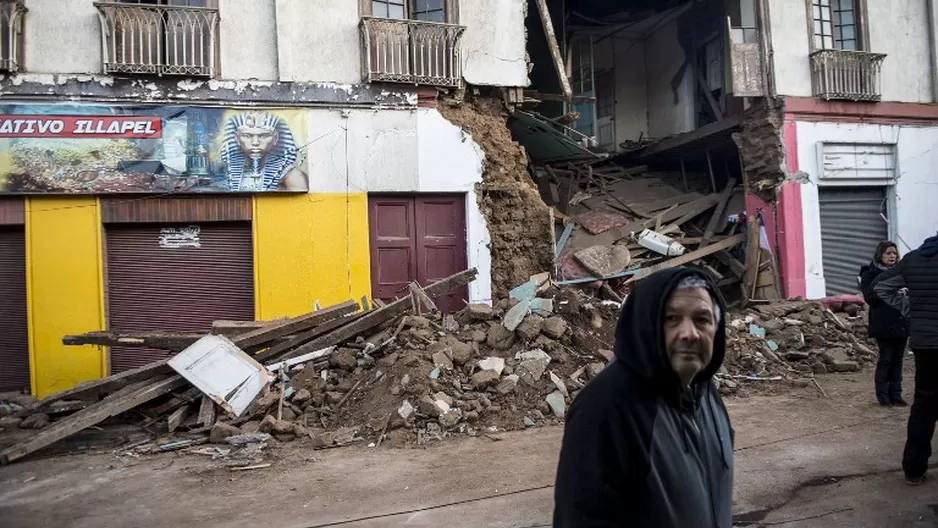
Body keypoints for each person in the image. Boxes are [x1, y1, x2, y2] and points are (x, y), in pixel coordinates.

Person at [553, 268, 733, 527]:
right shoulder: (606, 407)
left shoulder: (704, 394)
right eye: (672, 318)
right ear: (647, 325)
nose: (689, 333)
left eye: (702, 319)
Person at [872, 230, 938, 486]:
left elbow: (881, 287)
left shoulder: (912, 259)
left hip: (925, 345)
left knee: (924, 405)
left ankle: (913, 469)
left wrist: (910, 309)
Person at [859, 241, 908, 406]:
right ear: (880, 255)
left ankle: (896, 394)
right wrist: (890, 292)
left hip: (901, 322)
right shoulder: (870, 274)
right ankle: (883, 395)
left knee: (898, 360)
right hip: (883, 323)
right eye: (888, 253)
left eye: (894, 253)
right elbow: (870, 297)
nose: (892, 256)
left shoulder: (901, 272)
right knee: (886, 359)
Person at [219, 111, 308, 192]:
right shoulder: (224, 174)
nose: (255, 143)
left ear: (275, 138)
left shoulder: (291, 175)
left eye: (264, 136)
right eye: (247, 135)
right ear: (237, 139)